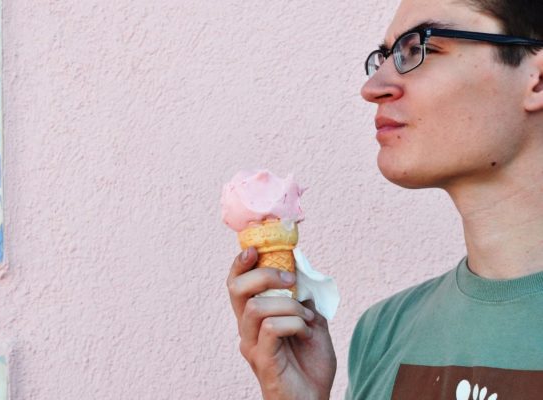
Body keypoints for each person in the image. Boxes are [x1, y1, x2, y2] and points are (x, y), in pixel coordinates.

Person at [226, 0, 543, 398]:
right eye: (385, 56)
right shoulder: (383, 332)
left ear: (537, 79)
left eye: (419, 48)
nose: (372, 88)